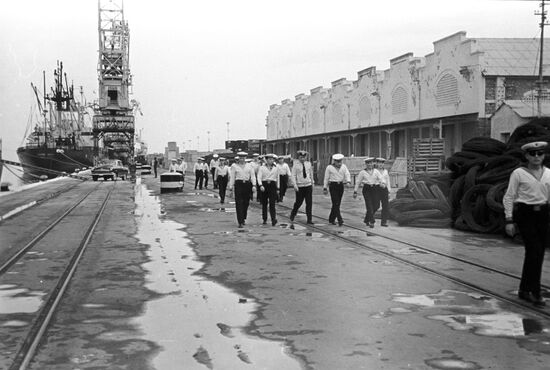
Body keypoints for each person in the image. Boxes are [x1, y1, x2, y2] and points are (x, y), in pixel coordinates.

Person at [503, 141, 550, 307]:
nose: (536, 157)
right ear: (526, 156)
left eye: (540, 154)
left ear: (544, 155)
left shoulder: (548, 174)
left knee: (538, 253)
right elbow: (509, 196)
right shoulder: (518, 173)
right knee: (534, 251)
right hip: (525, 214)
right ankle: (535, 292)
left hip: (543, 214)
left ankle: (524, 289)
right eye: (532, 154)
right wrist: (509, 220)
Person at [229, 152, 257, 228]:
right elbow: (232, 177)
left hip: (247, 185)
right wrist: (231, 187)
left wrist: (254, 185)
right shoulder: (234, 166)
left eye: (243, 158)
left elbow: (253, 176)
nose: (242, 159)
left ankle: (243, 216)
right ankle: (240, 221)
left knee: (246, 202)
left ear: (245, 158)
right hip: (238, 184)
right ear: (238, 158)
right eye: (241, 158)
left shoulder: (249, 166)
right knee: (239, 203)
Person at [353, 157, 383, 228]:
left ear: (373, 163)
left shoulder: (376, 171)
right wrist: (355, 191)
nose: (370, 164)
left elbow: (381, 179)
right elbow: (358, 182)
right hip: (367, 189)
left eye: (371, 163)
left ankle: (366, 219)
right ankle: (372, 221)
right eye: (368, 163)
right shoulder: (362, 172)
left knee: (376, 206)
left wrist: (382, 183)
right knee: (369, 205)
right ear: (366, 164)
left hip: (375, 189)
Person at [323, 153, 351, 226]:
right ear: (334, 161)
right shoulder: (329, 167)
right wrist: (325, 187)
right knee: (335, 202)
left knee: (337, 203)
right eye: (338, 162)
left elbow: (347, 174)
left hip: (340, 186)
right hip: (333, 186)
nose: (339, 163)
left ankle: (331, 218)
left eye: (340, 161)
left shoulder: (344, 167)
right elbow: (326, 178)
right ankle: (340, 219)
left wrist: (348, 181)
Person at [290, 150, 314, 224]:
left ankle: (309, 219)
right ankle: (293, 213)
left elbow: (311, 174)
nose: (302, 159)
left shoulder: (308, 164)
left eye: (304, 157)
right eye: (301, 157)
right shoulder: (296, 165)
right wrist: (295, 185)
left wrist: (312, 183)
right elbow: (293, 176)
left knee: (309, 203)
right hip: (300, 186)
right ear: (298, 157)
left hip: (308, 185)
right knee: (299, 202)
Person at [258, 154, 279, 226]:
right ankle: (264, 218)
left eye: (272, 159)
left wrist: (278, 188)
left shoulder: (276, 168)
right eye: (269, 159)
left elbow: (277, 178)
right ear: (266, 160)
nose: (271, 161)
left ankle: (273, 219)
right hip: (264, 184)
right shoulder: (262, 168)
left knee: (272, 203)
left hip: (272, 185)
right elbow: (259, 177)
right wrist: (260, 185)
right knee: (264, 203)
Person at [375, 157, 391, 227]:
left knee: (385, 206)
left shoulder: (385, 171)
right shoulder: (374, 171)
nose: (380, 164)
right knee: (376, 205)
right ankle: (370, 218)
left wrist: (389, 191)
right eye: (379, 163)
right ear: (377, 163)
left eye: (382, 163)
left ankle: (384, 222)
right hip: (376, 189)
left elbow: (388, 181)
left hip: (384, 189)